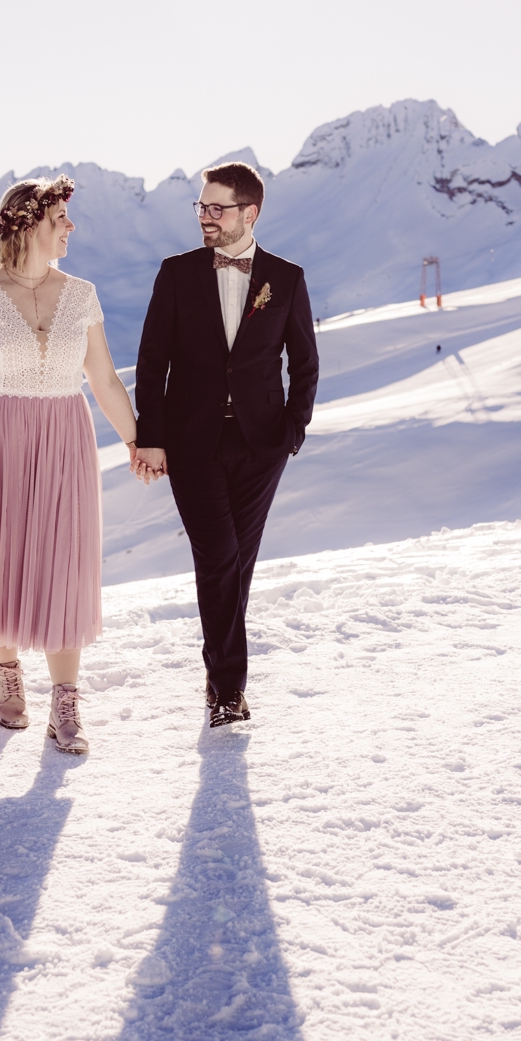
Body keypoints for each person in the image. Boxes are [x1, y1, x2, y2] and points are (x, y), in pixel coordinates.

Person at [0, 175, 138, 754]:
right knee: (2, 554)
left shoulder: (82, 294)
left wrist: (139, 441)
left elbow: (104, 379)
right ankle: (7, 674)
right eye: (61, 217)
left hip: (65, 434)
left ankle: (66, 698)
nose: (70, 226)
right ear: (30, 223)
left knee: (64, 560)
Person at [132, 161, 319, 728]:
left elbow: (305, 362)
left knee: (241, 562)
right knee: (220, 557)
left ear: (249, 213)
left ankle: (220, 678)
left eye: (217, 208)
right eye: (201, 207)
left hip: (261, 444)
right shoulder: (176, 272)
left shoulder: (285, 278)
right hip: (191, 441)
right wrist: (153, 439)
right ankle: (227, 692)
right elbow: (152, 362)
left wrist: (292, 431)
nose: (206, 218)